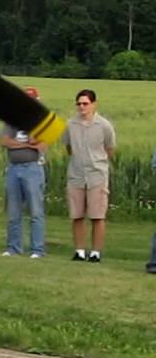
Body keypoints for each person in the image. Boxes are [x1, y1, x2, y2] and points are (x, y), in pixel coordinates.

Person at [65, 89, 115, 262]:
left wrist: (98, 163)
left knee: (97, 215)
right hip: (76, 175)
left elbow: (110, 149)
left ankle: (95, 252)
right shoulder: (70, 124)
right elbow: (68, 148)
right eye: (79, 103)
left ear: (94, 104)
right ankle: (79, 250)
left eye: (85, 103)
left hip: (97, 176)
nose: (82, 107)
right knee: (77, 215)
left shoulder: (104, 125)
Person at [1, 86, 48, 258]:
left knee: (35, 211)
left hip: (33, 168)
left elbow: (42, 145)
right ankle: (13, 247)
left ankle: (37, 249)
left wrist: (23, 143)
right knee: (13, 212)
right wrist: (28, 144)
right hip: (13, 167)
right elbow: (4, 141)